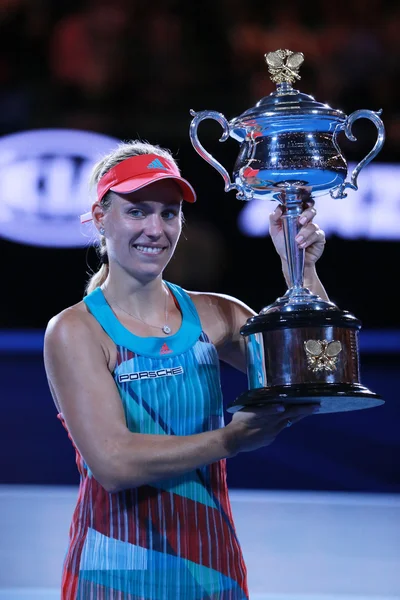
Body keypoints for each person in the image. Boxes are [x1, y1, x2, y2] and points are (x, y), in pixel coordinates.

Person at [43, 140, 327, 600]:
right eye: (137, 211)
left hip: (214, 572)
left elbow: (314, 373)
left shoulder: (218, 315)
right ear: (100, 218)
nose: (155, 229)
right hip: (112, 577)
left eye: (169, 213)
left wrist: (300, 270)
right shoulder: (75, 330)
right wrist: (230, 440)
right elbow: (113, 463)